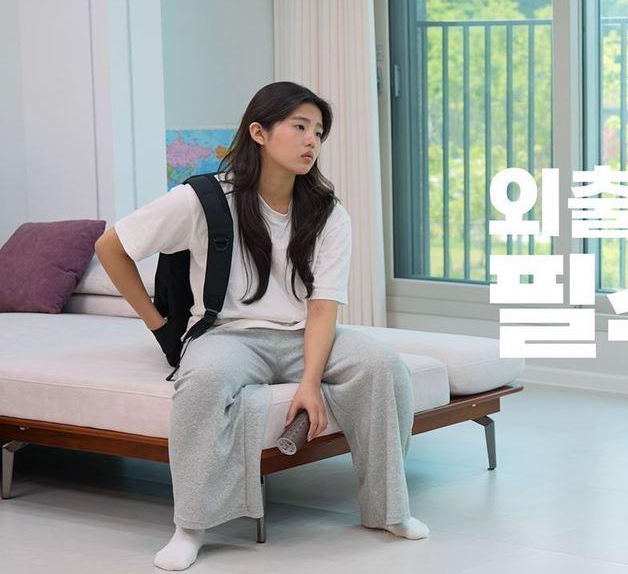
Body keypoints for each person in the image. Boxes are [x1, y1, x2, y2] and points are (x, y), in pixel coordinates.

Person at [93, 82, 427, 571]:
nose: (312, 140)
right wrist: (160, 327)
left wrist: (310, 382)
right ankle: (191, 527)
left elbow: (323, 306)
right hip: (228, 336)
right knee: (203, 381)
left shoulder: (328, 213)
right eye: (299, 127)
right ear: (259, 132)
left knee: (383, 366)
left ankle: (389, 510)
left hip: (302, 335)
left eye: (319, 132)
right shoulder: (204, 199)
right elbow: (111, 247)